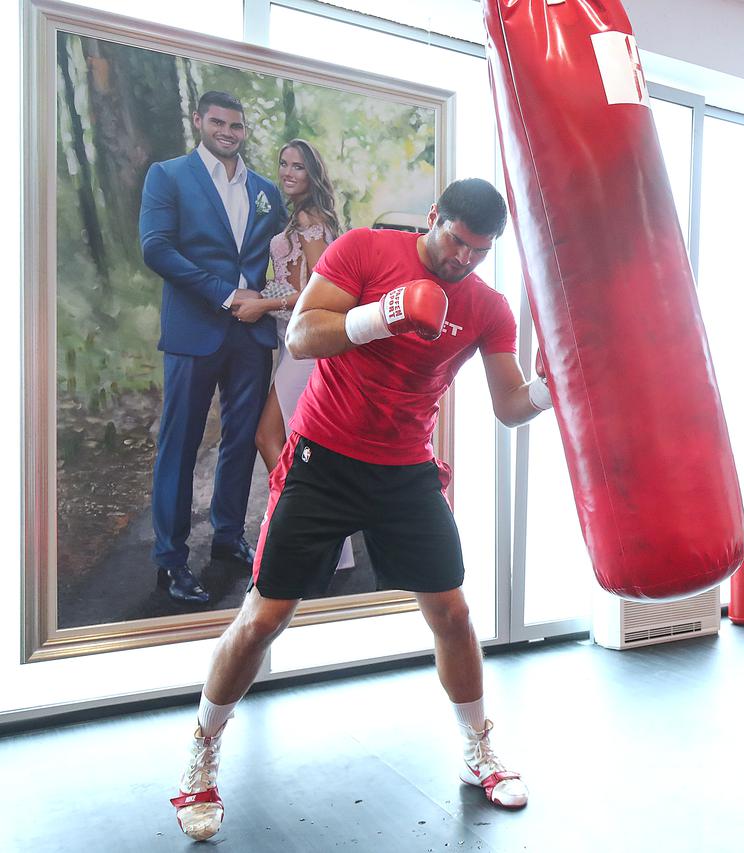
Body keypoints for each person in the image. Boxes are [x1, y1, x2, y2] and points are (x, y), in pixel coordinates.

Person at [170, 178, 553, 841]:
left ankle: (479, 748)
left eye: (480, 251)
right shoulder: (364, 250)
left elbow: (510, 406)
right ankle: (201, 754)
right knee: (264, 618)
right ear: (434, 218)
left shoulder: (487, 307)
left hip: (405, 468)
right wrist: (385, 312)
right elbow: (301, 335)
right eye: (457, 241)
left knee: (453, 613)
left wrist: (553, 387)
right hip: (324, 460)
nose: (464, 259)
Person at [140, 91, 287, 605]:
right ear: (199, 120)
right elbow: (156, 248)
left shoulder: (265, 190)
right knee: (179, 444)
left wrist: (267, 301)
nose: (228, 132)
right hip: (194, 330)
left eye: (237, 125)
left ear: (244, 130)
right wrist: (226, 294)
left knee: (242, 440)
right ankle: (170, 560)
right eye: (218, 122)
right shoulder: (168, 175)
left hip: (251, 335)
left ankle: (228, 537)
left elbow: (283, 257)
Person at [255, 139, 354, 570]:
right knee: (306, 445)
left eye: (297, 166)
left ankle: (303, 529)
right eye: (283, 164)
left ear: (312, 174)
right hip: (288, 344)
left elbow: (316, 294)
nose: (288, 172)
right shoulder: (300, 217)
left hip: (304, 349)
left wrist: (263, 304)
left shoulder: (311, 220)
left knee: (269, 437)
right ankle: (322, 539)